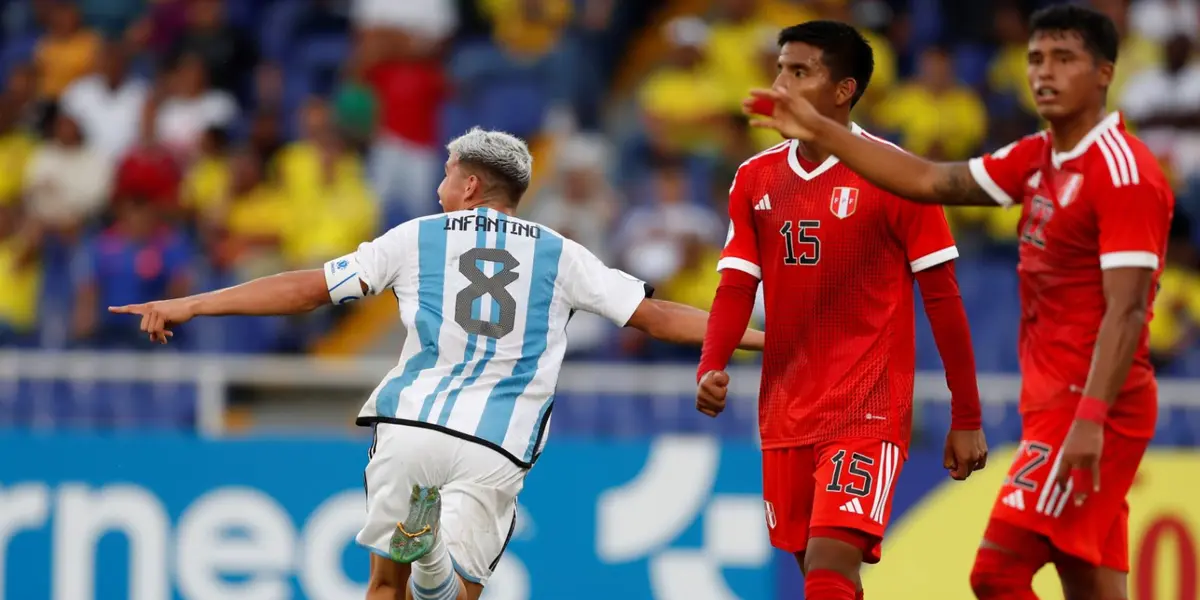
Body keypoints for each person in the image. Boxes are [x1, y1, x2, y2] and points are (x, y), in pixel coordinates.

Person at [109, 127, 765, 600]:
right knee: (453, 595)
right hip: (495, 440)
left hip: (411, 425)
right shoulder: (561, 253)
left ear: (472, 184)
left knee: (382, 584)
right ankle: (435, 569)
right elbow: (657, 316)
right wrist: (766, 338)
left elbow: (306, 289)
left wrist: (192, 304)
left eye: (448, 172)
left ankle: (419, 561)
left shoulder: (416, 236)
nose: (439, 183)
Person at [745, 6, 1173, 600]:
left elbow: (1127, 310)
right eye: (1035, 58)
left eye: (1064, 59)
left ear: (1104, 73)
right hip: (1054, 405)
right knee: (1091, 584)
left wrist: (1091, 421)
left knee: (997, 573)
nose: (1043, 72)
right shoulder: (1036, 157)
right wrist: (824, 132)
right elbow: (928, 181)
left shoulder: (1123, 174)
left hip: (1093, 408)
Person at [694, 21, 988, 600]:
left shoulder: (897, 174)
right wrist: (712, 363)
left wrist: (968, 415)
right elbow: (735, 287)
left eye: (799, 72)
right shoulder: (754, 177)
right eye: (779, 68)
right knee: (822, 577)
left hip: (867, 411)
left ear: (843, 90)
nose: (780, 82)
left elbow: (943, 299)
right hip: (785, 410)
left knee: (829, 568)